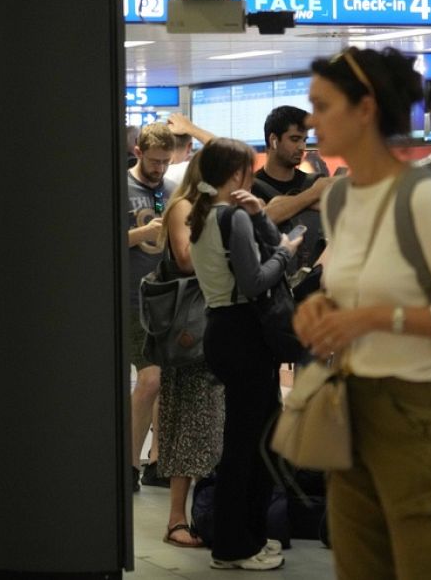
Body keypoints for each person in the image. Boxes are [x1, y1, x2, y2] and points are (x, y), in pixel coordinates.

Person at [292, 47, 431, 579]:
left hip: (421, 414)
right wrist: (323, 307)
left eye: (323, 105)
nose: (311, 121)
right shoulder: (341, 199)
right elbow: (352, 287)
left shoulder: (425, 200)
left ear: (365, 111)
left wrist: (375, 319)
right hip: (351, 410)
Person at [187, 138, 298, 571]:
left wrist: (260, 219)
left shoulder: (205, 214)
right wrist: (286, 256)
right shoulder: (228, 217)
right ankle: (233, 545)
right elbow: (255, 282)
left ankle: (248, 537)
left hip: (223, 329)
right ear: (236, 174)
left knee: (250, 440)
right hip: (243, 333)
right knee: (245, 445)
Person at [154, 151, 224, 549]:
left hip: (219, 325)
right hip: (192, 328)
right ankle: (175, 517)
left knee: (212, 424)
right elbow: (184, 258)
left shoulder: (223, 209)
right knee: (188, 420)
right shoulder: (184, 207)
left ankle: (205, 511)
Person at [126, 121, 177, 490]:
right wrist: (142, 234)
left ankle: (158, 459)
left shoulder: (171, 191)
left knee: (166, 381)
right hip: (130, 300)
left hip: (167, 299)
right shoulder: (120, 187)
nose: (160, 168)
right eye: (155, 160)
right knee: (150, 379)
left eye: (166, 161)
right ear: (139, 152)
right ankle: (128, 463)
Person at [250, 105, 333, 271]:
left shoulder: (316, 181)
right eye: (295, 139)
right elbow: (263, 219)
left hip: (317, 280)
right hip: (271, 283)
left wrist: (285, 203)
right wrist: (313, 195)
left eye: (304, 140)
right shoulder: (251, 187)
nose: (302, 147)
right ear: (274, 140)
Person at [165, 112, 216, 187]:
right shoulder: (190, 171)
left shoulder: (151, 171)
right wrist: (190, 128)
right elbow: (230, 153)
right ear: (189, 147)